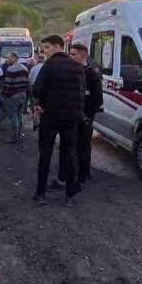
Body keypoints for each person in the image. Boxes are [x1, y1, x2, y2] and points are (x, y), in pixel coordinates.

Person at [31, 35, 86, 206]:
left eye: (47, 48)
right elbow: (81, 93)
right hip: (71, 118)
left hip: (51, 116)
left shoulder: (50, 65)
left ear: (57, 46)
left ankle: (40, 194)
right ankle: (69, 196)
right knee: (69, 154)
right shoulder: (78, 67)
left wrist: (39, 103)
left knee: (45, 154)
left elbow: (37, 88)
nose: (45, 52)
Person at [69, 42, 104, 186]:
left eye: (73, 54)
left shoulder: (92, 74)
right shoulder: (72, 71)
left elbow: (98, 98)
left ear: (82, 55)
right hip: (72, 115)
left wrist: (88, 115)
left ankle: (84, 172)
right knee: (72, 144)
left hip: (85, 117)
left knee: (84, 145)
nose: (70, 56)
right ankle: (73, 169)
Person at [1, 52, 30, 143]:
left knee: (13, 115)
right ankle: (19, 134)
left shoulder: (11, 69)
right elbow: (27, 83)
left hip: (13, 95)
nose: (7, 59)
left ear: (14, 58)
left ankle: (14, 137)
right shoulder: (25, 68)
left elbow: (7, 83)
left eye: (8, 57)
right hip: (23, 94)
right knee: (19, 115)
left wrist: (5, 94)